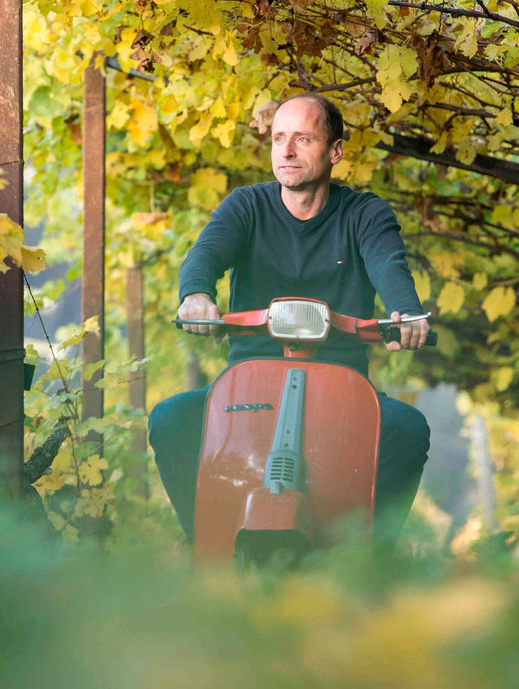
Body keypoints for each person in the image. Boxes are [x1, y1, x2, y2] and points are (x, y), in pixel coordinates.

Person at [148, 92, 432, 546]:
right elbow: (205, 254)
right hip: (246, 385)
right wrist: (197, 296)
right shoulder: (246, 206)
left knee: (407, 429)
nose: (286, 151)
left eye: (303, 138)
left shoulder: (364, 213)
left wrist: (405, 311)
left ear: (335, 151)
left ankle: (369, 557)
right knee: (169, 420)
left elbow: (388, 264)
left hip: (341, 383)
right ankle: (206, 546)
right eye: (279, 138)